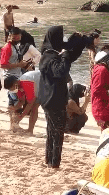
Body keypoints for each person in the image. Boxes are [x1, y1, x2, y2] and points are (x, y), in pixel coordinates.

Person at [37, 26, 87, 169]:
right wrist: (65, 54)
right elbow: (61, 70)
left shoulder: (48, 54)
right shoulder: (51, 58)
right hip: (54, 100)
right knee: (57, 132)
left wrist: (77, 41)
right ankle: (54, 163)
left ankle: (49, 160)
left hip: (48, 98)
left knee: (51, 131)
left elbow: (69, 57)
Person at [4, 70, 41, 134]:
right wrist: (14, 108)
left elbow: (30, 103)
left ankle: (30, 130)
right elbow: (21, 101)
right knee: (34, 106)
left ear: (14, 84)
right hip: (37, 81)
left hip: (44, 81)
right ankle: (27, 129)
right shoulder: (18, 86)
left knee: (35, 106)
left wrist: (21, 117)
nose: (10, 90)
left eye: (10, 88)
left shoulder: (26, 83)